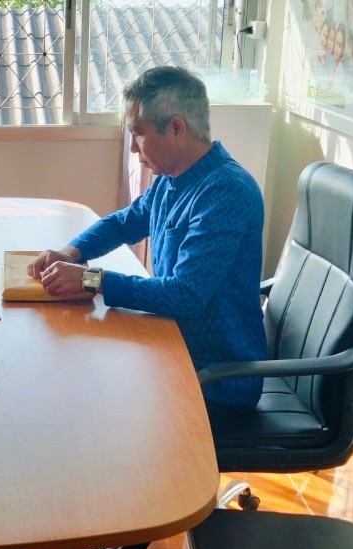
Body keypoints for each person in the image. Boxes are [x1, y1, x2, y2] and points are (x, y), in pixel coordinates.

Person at [28, 66, 267, 418]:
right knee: (71, 375)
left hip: (216, 379)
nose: (133, 147)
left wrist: (91, 280)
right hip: (172, 347)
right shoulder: (173, 179)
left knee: (86, 400)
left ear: (176, 128)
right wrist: (71, 252)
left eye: (138, 134)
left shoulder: (225, 192)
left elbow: (185, 295)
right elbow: (123, 223)